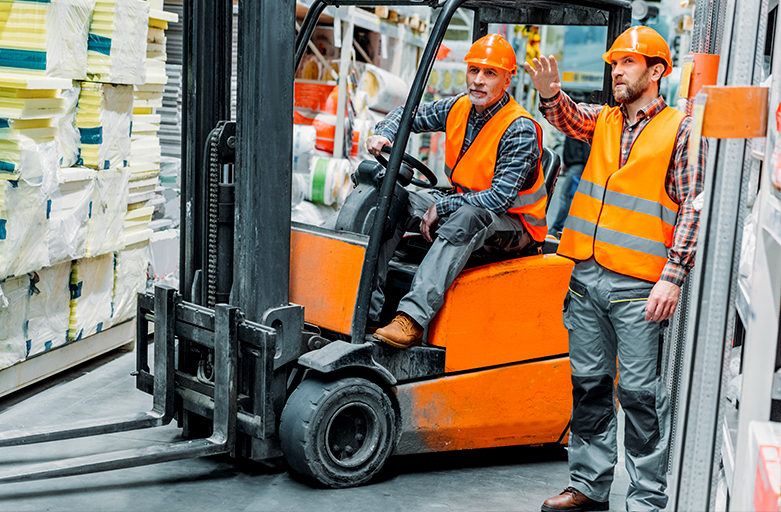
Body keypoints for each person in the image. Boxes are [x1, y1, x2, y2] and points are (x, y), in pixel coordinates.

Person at [524, 26, 707, 511]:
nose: (616, 71)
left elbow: (693, 206)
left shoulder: (681, 128)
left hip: (638, 286)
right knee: (588, 387)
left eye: (627, 62)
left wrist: (673, 276)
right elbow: (570, 118)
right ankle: (588, 485)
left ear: (657, 71)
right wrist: (549, 95)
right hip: (586, 280)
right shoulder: (605, 119)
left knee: (641, 397)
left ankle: (646, 498)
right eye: (613, 63)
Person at [365, 33, 548, 349]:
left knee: (466, 215)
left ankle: (411, 318)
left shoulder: (519, 128)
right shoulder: (459, 107)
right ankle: (366, 309)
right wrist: (384, 134)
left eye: (489, 73)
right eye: (474, 70)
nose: (478, 80)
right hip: (464, 203)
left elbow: (498, 199)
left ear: (507, 79)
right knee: (391, 197)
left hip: (514, 226)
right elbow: (407, 114)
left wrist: (444, 208)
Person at [549, 135, 591, 235]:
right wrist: (567, 164)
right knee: (570, 197)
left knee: (565, 196)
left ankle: (556, 228)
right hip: (575, 164)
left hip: (578, 165)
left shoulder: (580, 125)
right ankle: (561, 229)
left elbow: (586, 147)